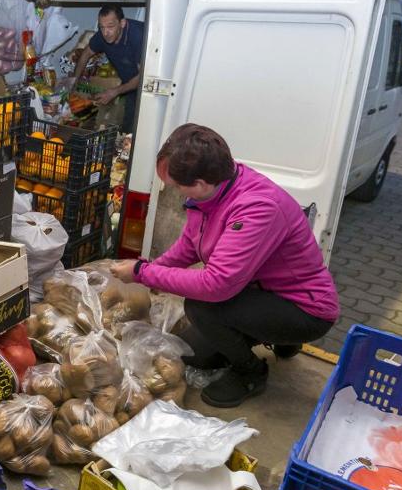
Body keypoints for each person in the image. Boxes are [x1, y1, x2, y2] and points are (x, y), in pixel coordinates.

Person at [109, 124, 339, 407]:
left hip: (304, 308)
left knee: (201, 306)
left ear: (201, 183)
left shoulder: (257, 207)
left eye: (178, 186)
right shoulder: (211, 194)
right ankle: (277, 339)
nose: (177, 192)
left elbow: (216, 285)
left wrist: (142, 273)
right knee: (194, 354)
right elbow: (190, 246)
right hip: (260, 290)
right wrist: (146, 270)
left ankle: (251, 373)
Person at [65, 5, 144, 133]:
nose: (105, 33)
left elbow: (143, 76)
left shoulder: (138, 36)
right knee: (128, 129)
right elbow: (86, 53)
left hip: (148, 85)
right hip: (130, 83)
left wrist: (114, 92)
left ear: (122, 23)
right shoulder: (102, 35)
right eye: (102, 27)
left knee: (143, 129)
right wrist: (75, 80)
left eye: (110, 26)